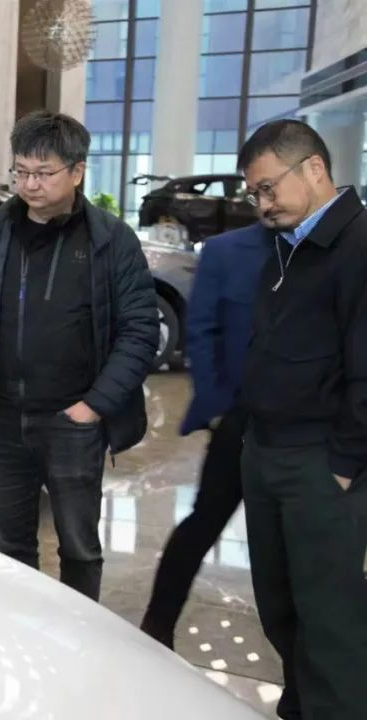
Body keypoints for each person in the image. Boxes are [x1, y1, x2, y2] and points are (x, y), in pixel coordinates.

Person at [0, 111, 158, 601]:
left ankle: (79, 633)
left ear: (77, 172)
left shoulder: (110, 241)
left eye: (43, 173)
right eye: (21, 172)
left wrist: (93, 407)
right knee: (11, 546)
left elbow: (140, 331)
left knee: (79, 548)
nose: (30, 184)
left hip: (71, 422)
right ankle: (24, 631)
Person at [237, 119, 367, 720]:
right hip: (267, 451)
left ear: (314, 168)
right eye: (254, 194)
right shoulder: (287, 245)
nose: (262, 204)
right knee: (280, 607)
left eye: (268, 188)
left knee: (331, 622)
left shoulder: (358, 245)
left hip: (321, 464)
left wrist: (342, 464)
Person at [140, 220, 270, 649]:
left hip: (307, 428)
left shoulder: (334, 248)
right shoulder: (226, 251)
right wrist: (217, 408)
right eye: (258, 190)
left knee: (291, 545)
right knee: (204, 522)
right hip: (238, 419)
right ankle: (157, 627)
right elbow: (201, 331)